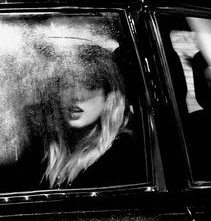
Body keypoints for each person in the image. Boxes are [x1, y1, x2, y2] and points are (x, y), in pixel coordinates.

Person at [33, 43, 146, 189]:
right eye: (67, 85)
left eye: (89, 85)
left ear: (109, 97)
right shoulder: (43, 153)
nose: (76, 96)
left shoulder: (125, 157)